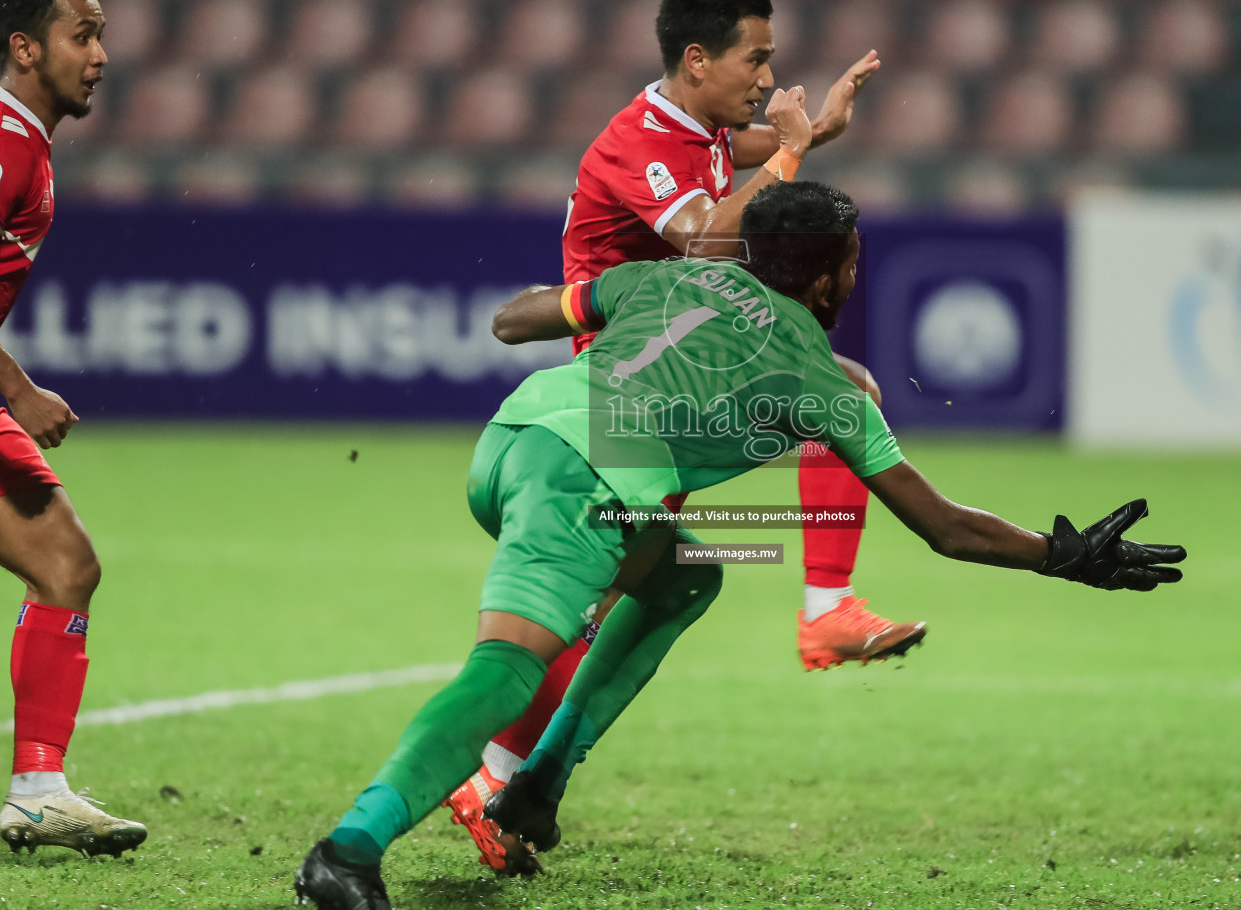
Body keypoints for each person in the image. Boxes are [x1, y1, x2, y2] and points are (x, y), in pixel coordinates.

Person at [292, 179, 1187, 908]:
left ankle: (541, 782)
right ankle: (349, 850)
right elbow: (944, 526)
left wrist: (590, 305)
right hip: (581, 480)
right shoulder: (823, 385)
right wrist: (1064, 555)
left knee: (686, 575)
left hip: (514, 441)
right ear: (833, 275)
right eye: (853, 264)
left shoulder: (665, 280)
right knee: (505, 674)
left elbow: (513, 323)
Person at [445, 0, 921, 855]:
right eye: (758, 60)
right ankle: (493, 779)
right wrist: (789, 150)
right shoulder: (639, 143)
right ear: (697, 59)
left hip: (673, 372)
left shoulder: (697, 128)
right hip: (625, 393)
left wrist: (811, 133)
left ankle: (500, 780)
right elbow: (709, 236)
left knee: (615, 597)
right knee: (598, 605)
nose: (767, 78)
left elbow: (734, 169)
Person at [0, 0, 145, 858]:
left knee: (67, 565)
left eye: (101, 35)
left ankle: (38, 790)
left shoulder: (23, 140)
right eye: (84, 36)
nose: (101, 55)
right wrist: (19, 386)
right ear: (26, 49)